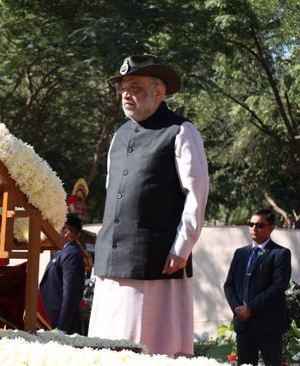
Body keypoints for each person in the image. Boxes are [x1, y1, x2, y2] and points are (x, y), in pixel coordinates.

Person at [88, 55, 209, 357]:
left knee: (151, 350)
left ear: (159, 92)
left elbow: (197, 192)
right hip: (111, 263)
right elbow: (113, 196)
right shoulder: (119, 136)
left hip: (157, 262)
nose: (127, 94)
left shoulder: (181, 131)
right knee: (106, 350)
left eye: (135, 87)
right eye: (123, 88)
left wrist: (181, 247)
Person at [223, 209, 292, 366]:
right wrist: (238, 309)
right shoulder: (240, 253)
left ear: (271, 228)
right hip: (244, 324)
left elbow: (277, 287)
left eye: (260, 225)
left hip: (269, 324)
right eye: (251, 224)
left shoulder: (280, 254)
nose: (254, 228)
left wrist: (250, 308)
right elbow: (229, 285)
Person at [40, 214, 86, 334]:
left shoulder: (71, 254)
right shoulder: (64, 252)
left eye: (57, 229)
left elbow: (70, 293)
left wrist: (62, 328)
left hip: (62, 327)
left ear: (67, 232)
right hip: (53, 322)